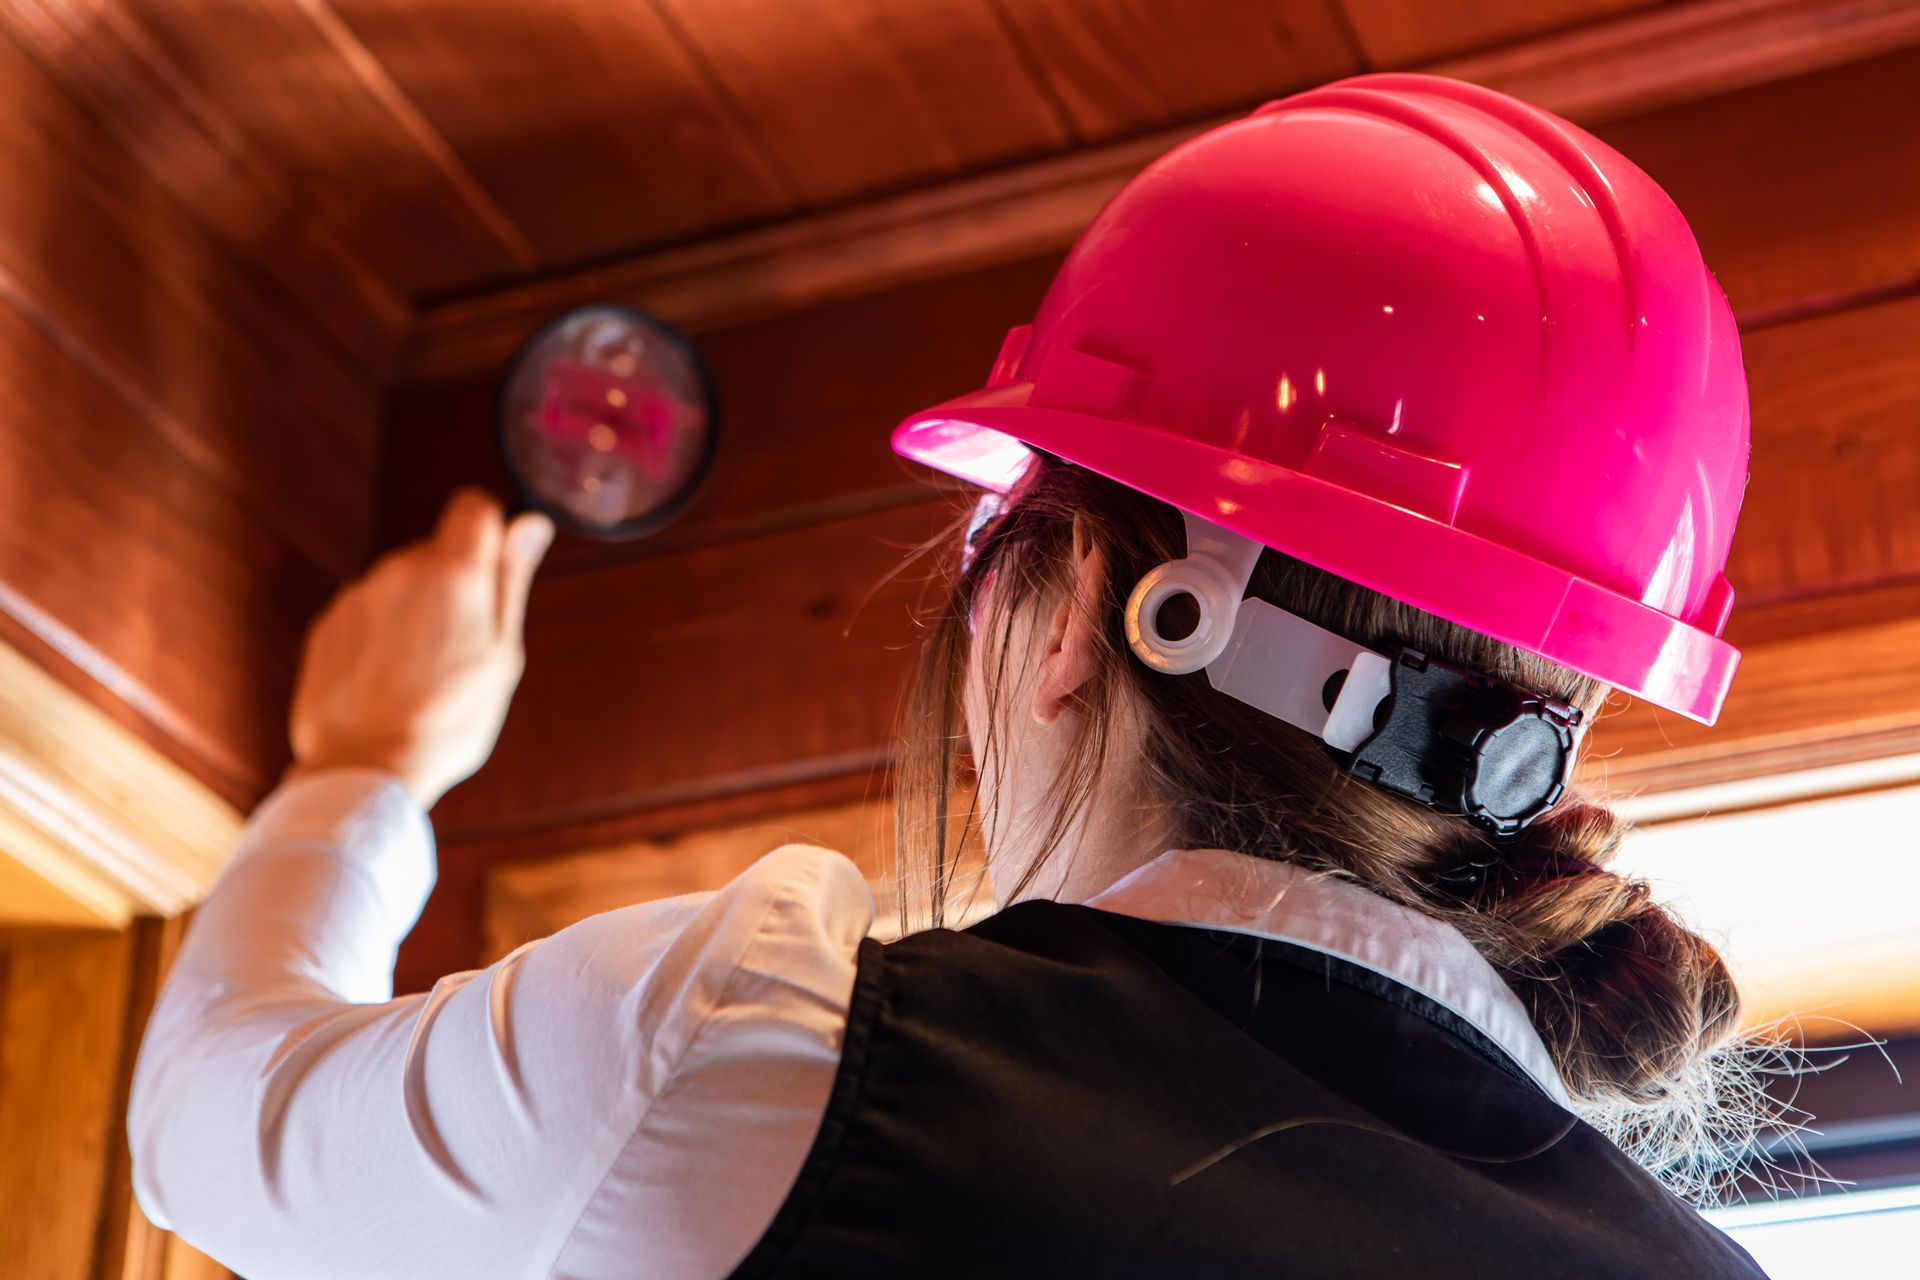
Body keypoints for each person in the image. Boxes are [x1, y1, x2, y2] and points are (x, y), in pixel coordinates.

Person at [129, 74, 1773, 1277]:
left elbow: (207, 1122)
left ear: (1077, 616)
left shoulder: (777, 1058)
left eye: (1000, 537)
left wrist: (362, 764)